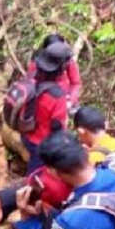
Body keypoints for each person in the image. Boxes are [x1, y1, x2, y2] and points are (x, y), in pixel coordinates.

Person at [22, 42, 70, 174]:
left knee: (34, 158)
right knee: (37, 169)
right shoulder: (57, 95)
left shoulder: (30, 79)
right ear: (61, 67)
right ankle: (32, 183)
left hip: (26, 133)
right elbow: (57, 126)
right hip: (42, 141)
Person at [27, 34, 81, 109]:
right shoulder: (37, 62)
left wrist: (71, 100)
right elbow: (30, 81)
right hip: (43, 98)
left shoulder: (67, 61)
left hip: (65, 98)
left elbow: (75, 83)